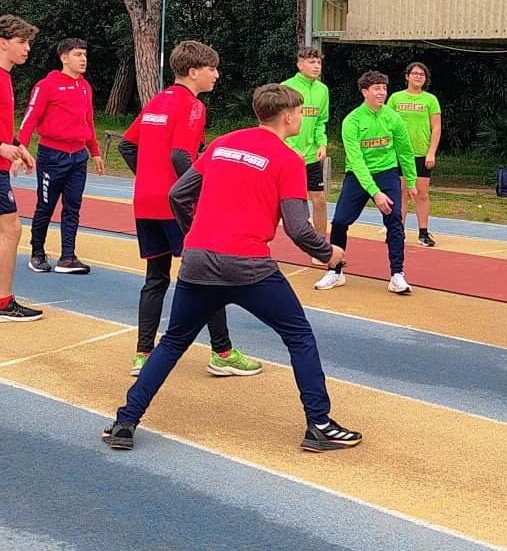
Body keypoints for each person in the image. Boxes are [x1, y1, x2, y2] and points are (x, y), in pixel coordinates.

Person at [103, 84, 361, 453]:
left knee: (173, 342)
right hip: (248, 266)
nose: (301, 119)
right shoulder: (288, 160)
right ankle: (318, 424)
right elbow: (297, 227)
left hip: (198, 261)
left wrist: (193, 234)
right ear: (289, 117)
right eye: (301, 113)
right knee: (299, 336)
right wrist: (329, 254)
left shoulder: (222, 144)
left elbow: (178, 194)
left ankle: (125, 422)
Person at [118, 40, 261, 378]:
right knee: (208, 275)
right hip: (177, 205)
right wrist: (199, 188)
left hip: (146, 203)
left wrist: (150, 179)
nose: (217, 75)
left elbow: (126, 145)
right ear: (193, 72)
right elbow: (181, 155)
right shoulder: (192, 105)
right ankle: (222, 352)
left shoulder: (157, 100)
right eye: (212, 69)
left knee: (155, 279)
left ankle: (142, 354)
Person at [314, 70, 417, 294]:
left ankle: (397, 275)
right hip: (359, 175)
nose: (382, 93)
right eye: (376, 88)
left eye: (384, 88)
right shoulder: (352, 121)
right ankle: (335, 271)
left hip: (387, 173)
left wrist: (410, 181)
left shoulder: (393, 118)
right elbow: (356, 161)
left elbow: (405, 151)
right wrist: (375, 192)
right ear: (364, 92)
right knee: (340, 221)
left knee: (395, 220)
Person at [19, 38, 104, 275]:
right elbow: (30, 118)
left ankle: (67, 257)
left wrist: (94, 151)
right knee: (45, 206)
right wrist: (20, 148)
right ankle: (37, 253)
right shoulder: (47, 85)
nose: (83, 59)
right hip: (52, 156)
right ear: (64, 58)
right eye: (78, 54)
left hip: (78, 157)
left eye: (85, 54)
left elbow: (89, 121)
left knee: (72, 207)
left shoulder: (85, 87)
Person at [0, 15, 42, 322]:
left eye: (28, 42)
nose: (27, 48)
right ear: (2, 43)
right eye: (21, 42)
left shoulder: (6, 78)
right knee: (11, 229)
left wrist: (17, 145)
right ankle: (3, 301)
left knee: (9, 229)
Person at [388, 61, 441, 247]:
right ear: (407, 76)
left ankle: (423, 233)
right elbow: (387, 124)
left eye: (422, 74)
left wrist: (431, 152)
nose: (418, 77)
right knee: (401, 193)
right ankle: (398, 231)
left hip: (421, 153)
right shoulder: (395, 98)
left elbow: (436, 128)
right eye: (415, 73)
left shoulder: (430, 100)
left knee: (422, 194)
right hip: (400, 153)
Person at [282, 45, 330, 238]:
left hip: (311, 157)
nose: (317, 66)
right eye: (312, 62)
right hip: (288, 155)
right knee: (282, 202)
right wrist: (292, 149)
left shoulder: (322, 90)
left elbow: (320, 121)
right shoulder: (286, 87)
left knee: (320, 199)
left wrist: (322, 144)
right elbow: (279, 124)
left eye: (319, 62)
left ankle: (321, 243)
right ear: (300, 65)